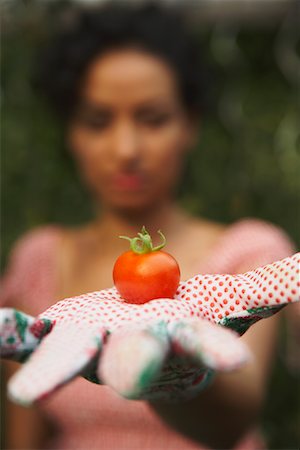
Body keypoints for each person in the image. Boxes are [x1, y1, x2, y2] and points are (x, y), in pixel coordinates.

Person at [1, 2, 295, 449]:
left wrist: (177, 381)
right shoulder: (37, 257)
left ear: (189, 125)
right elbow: (25, 430)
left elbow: (234, 421)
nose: (126, 149)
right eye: (98, 121)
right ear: (71, 133)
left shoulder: (249, 255)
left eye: (152, 118)